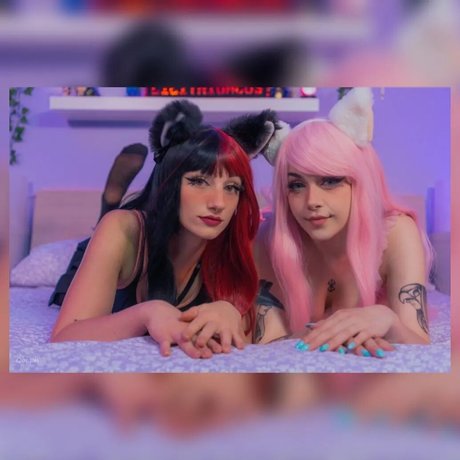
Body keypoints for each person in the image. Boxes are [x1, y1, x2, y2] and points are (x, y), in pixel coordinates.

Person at [50, 100, 262, 359]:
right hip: (126, 241)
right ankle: (108, 206)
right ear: (170, 182)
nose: (219, 203)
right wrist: (146, 313)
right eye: (198, 181)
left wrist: (231, 311)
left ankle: (110, 205)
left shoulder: (234, 242)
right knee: (93, 250)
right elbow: (65, 336)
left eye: (231, 187)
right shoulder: (122, 229)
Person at [253, 87, 433, 358]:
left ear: (361, 181)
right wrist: (335, 333)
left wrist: (388, 320)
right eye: (296, 185)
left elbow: (418, 341)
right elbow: (266, 344)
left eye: (330, 180)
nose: (312, 201)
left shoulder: (397, 234)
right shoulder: (271, 237)